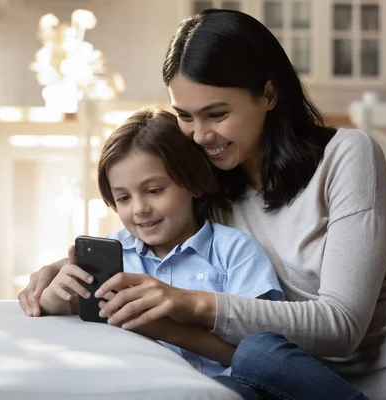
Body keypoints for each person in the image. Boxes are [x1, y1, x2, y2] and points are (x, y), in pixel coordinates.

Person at [18, 9, 386, 400]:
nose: (201, 135)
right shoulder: (209, 184)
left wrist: (190, 304)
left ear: (268, 94)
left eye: (217, 114)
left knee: (258, 356)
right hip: (316, 379)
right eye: (185, 116)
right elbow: (156, 235)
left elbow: (340, 328)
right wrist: (66, 272)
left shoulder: (348, 155)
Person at [39, 106, 284, 380]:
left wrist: (163, 327)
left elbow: (261, 356)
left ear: (193, 183)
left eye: (154, 191)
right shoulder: (112, 254)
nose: (139, 209)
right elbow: (63, 309)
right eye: (123, 198)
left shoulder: (235, 251)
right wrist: (53, 295)